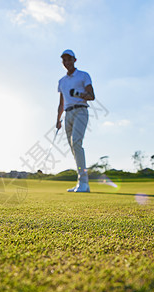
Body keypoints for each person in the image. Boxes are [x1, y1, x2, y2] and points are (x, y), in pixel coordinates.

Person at [56, 49, 95, 192]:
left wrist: (80, 94)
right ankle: (80, 181)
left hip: (81, 110)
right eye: (64, 60)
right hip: (68, 114)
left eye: (69, 59)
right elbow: (61, 103)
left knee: (76, 143)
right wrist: (58, 119)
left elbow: (92, 96)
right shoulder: (62, 81)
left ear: (74, 60)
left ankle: (84, 183)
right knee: (73, 148)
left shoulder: (83, 76)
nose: (67, 62)